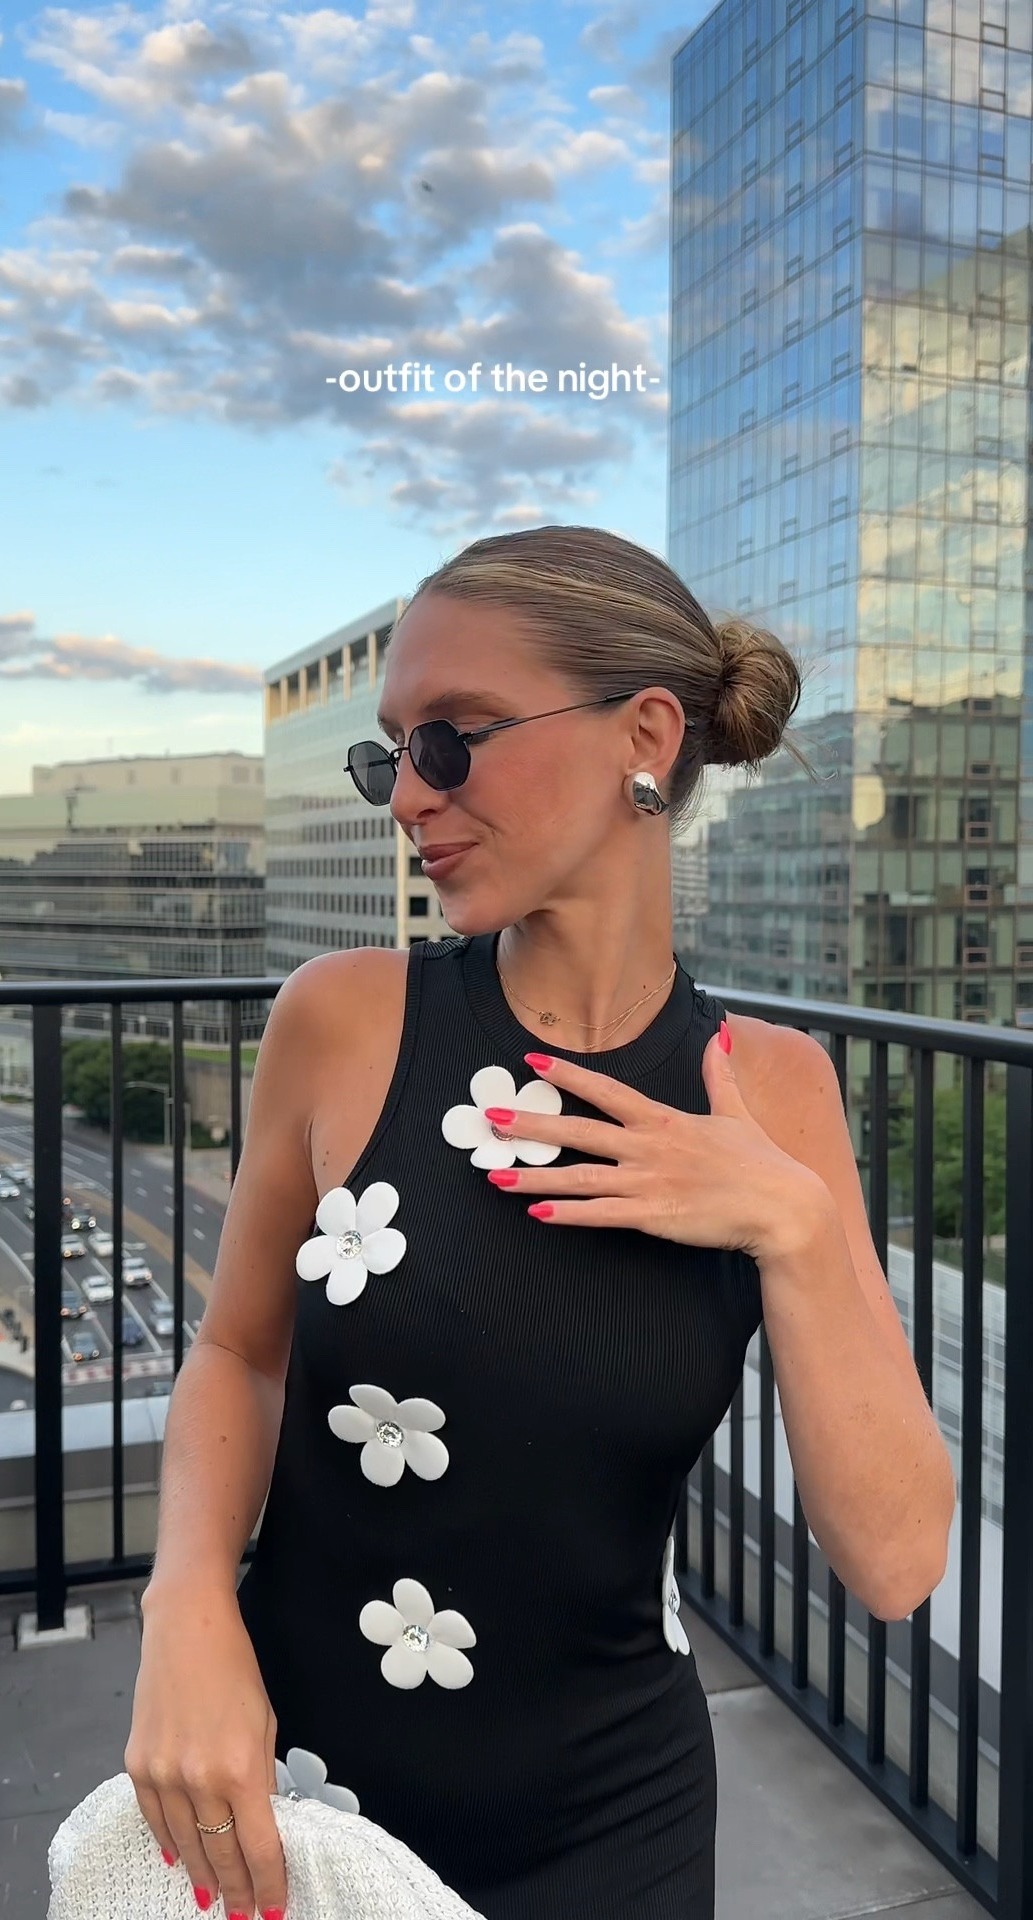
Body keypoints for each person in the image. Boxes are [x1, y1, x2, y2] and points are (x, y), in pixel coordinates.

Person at [125, 525, 955, 1920]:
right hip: (293, 1799)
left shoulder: (775, 1093)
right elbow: (240, 1352)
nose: (409, 795)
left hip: (618, 1830)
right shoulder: (345, 1022)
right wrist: (185, 1605)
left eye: (454, 739)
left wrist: (795, 1227)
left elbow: (898, 1562)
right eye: (393, 753)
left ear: (646, 736)